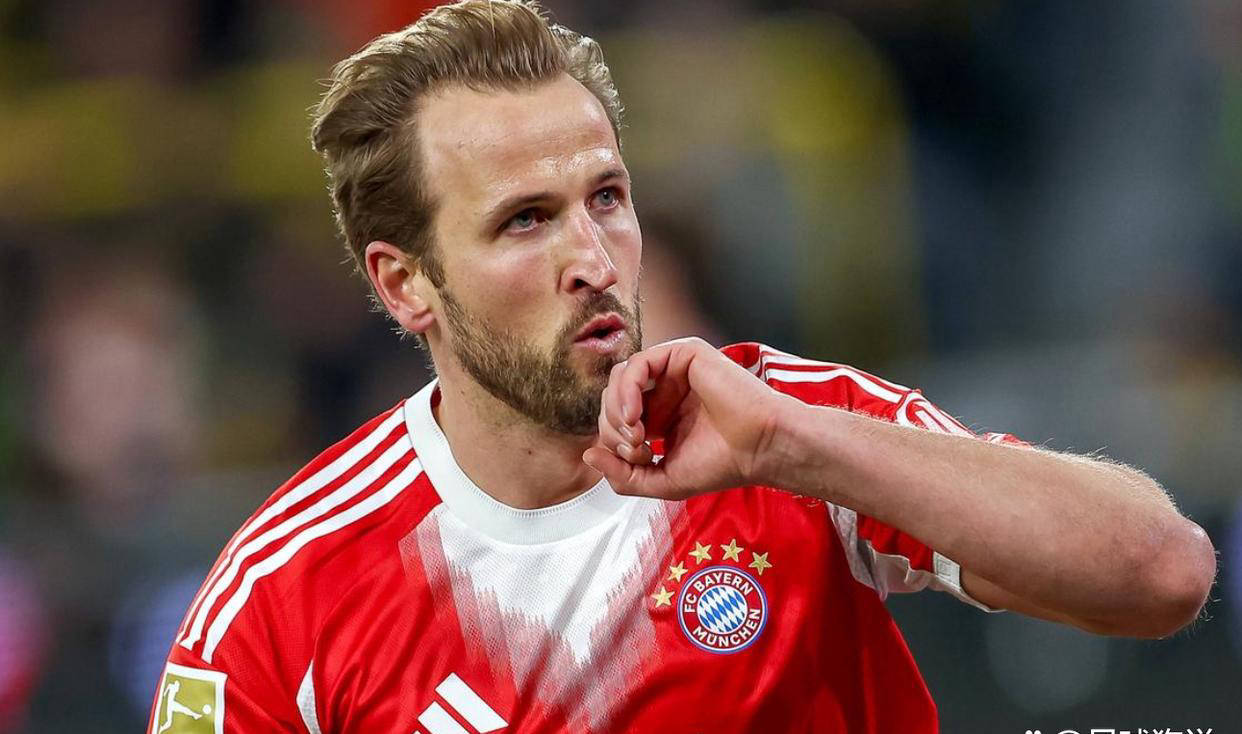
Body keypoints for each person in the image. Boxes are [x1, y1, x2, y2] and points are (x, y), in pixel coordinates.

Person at [149, 2, 1216, 732]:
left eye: (607, 198)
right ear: (405, 284)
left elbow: (1161, 573)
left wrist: (792, 446)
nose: (593, 257)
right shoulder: (281, 598)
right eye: (525, 220)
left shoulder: (783, 425)